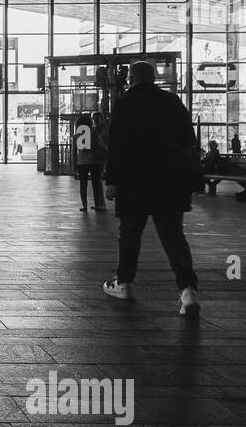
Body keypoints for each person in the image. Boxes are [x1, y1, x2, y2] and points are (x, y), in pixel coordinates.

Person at [102, 60, 202, 317]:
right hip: (170, 182)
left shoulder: (125, 103)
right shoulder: (172, 102)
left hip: (134, 182)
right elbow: (189, 141)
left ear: (131, 78)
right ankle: (188, 290)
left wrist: (111, 180)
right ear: (154, 76)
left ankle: (123, 282)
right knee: (173, 236)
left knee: (130, 234)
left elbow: (117, 145)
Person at [74, 112, 107, 212]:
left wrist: (74, 165)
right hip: (94, 161)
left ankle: (84, 206)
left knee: (83, 185)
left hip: (81, 162)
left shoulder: (77, 135)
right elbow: (98, 145)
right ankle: (99, 205)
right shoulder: (93, 133)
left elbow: (75, 150)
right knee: (96, 183)